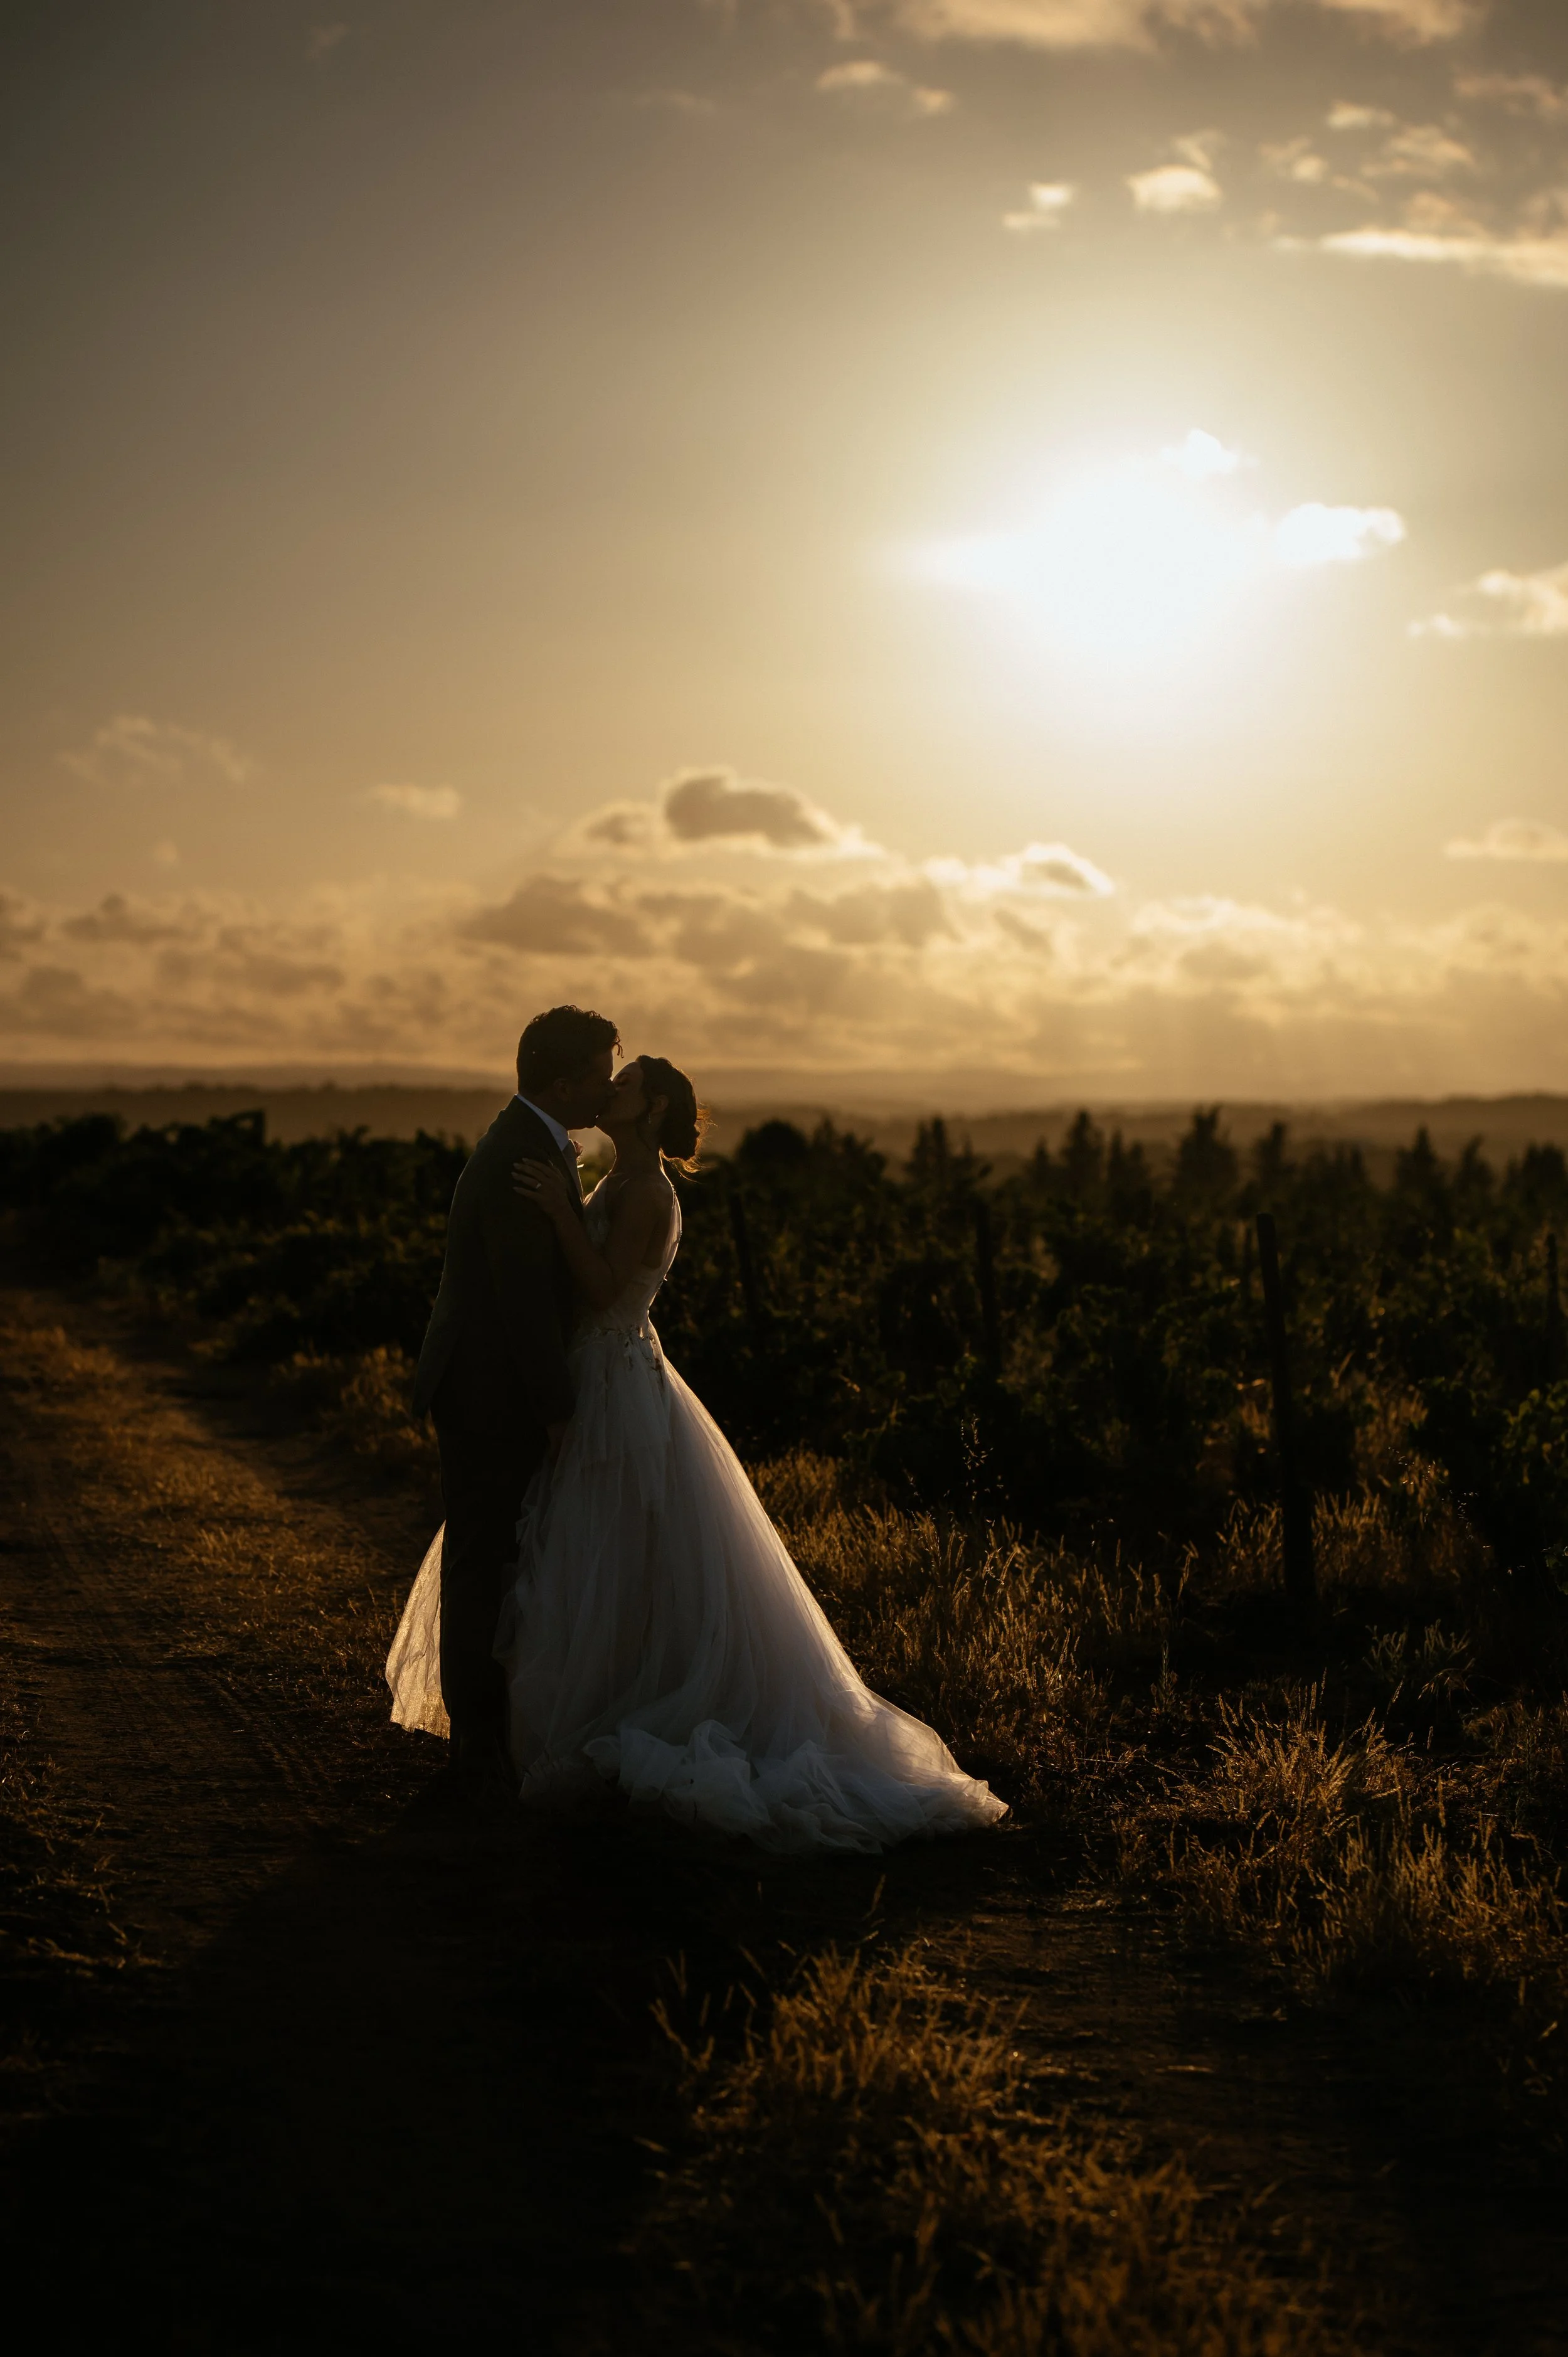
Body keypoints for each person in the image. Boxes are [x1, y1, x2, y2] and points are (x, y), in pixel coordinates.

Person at [390, 1046, 1005, 1854]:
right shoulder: (616, 1178)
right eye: (608, 1077)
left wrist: (559, 1217)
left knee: (612, 1553)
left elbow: (604, 1290)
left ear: (651, 1109)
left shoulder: (648, 1191)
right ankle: (566, 1709)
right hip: (596, 1372)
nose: (610, 1088)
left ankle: (606, 1712)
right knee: (593, 1555)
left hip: (617, 1384)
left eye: (625, 1084)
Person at [400, 1004, 618, 1790]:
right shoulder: (520, 1158)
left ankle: (491, 1727)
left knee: (494, 1552)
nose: (608, 1090)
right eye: (599, 1077)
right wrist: (557, 1410)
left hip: (489, 1382)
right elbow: (525, 1303)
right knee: (482, 1556)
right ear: (562, 1084)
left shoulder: (534, 1143)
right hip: (487, 1390)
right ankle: (476, 1739)